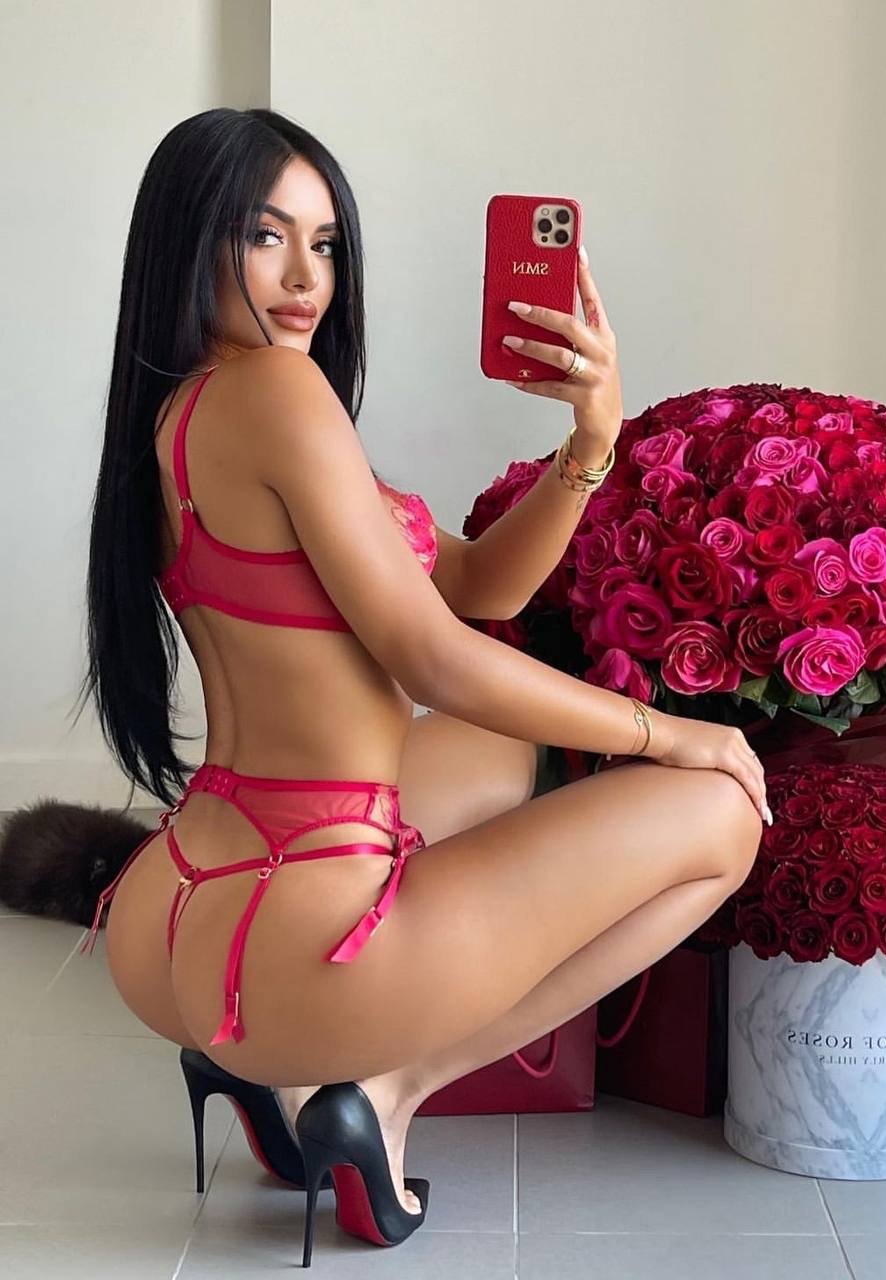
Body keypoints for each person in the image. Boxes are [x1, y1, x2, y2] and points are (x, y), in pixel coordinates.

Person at [76, 107, 768, 1262]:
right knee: (724, 812)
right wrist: (671, 733)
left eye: (327, 243)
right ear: (189, 242)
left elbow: (482, 584)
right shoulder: (277, 394)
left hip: (184, 903)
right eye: (266, 237)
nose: (308, 279)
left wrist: (590, 440)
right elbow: (434, 655)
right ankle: (382, 1086)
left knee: (502, 751)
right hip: (302, 929)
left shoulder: (181, 410)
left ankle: (279, 1072)